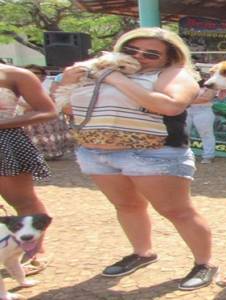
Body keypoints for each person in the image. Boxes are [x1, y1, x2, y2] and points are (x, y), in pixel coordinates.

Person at [60, 27, 217, 290]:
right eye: (131, 50)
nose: (140, 56)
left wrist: (115, 79)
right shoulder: (95, 72)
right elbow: (69, 108)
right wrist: (67, 82)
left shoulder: (174, 74)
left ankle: (205, 263)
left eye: (151, 54)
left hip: (154, 151)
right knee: (126, 206)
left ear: (168, 59)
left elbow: (170, 105)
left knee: (176, 210)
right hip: (96, 150)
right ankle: (142, 253)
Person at [0, 64, 56, 276]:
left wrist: (3, 123)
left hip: (3, 140)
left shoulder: (15, 74)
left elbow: (47, 110)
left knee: (22, 201)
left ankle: (34, 250)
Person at [21, 65, 74, 161]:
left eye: (36, 73)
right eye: (28, 72)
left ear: (43, 76)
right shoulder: (17, 86)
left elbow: (54, 99)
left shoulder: (49, 85)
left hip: (49, 115)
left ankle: (51, 153)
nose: (32, 75)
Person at [186, 72, 217, 164]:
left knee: (206, 134)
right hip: (186, 110)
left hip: (203, 110)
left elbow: (206, 98)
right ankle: (185, 155)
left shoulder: (210, 86)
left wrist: (185, 100)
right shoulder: (185, 85)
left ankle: (208, 156)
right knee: (183, 134)